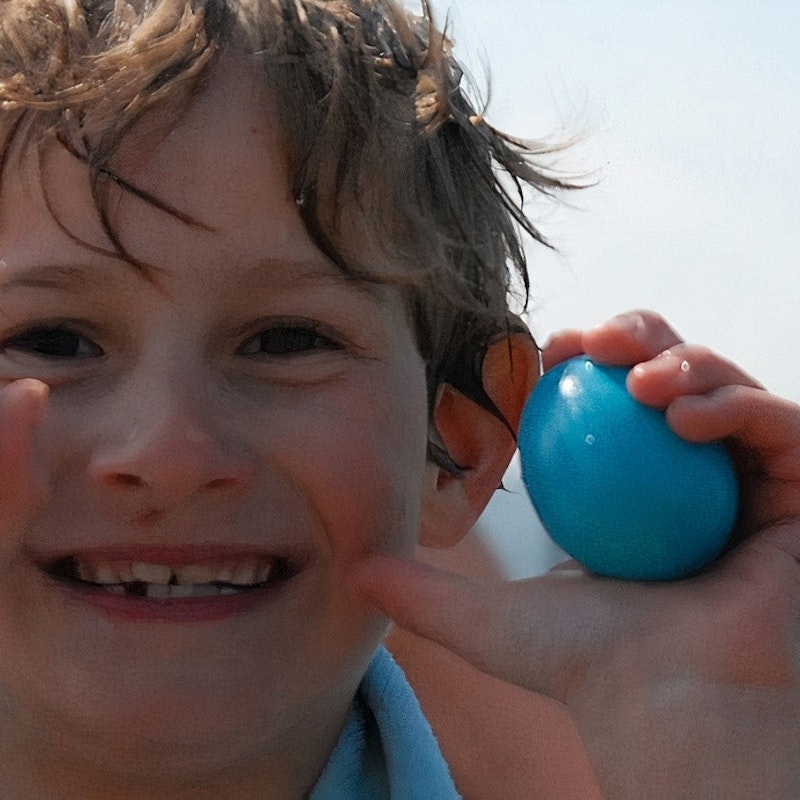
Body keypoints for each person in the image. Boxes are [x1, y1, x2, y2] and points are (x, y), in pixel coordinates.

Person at [0, 0, 797, 797]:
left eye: (286, 340)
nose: (168, 456)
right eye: (55, 342)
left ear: (460, 447)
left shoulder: (704, 753)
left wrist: (718, 740)